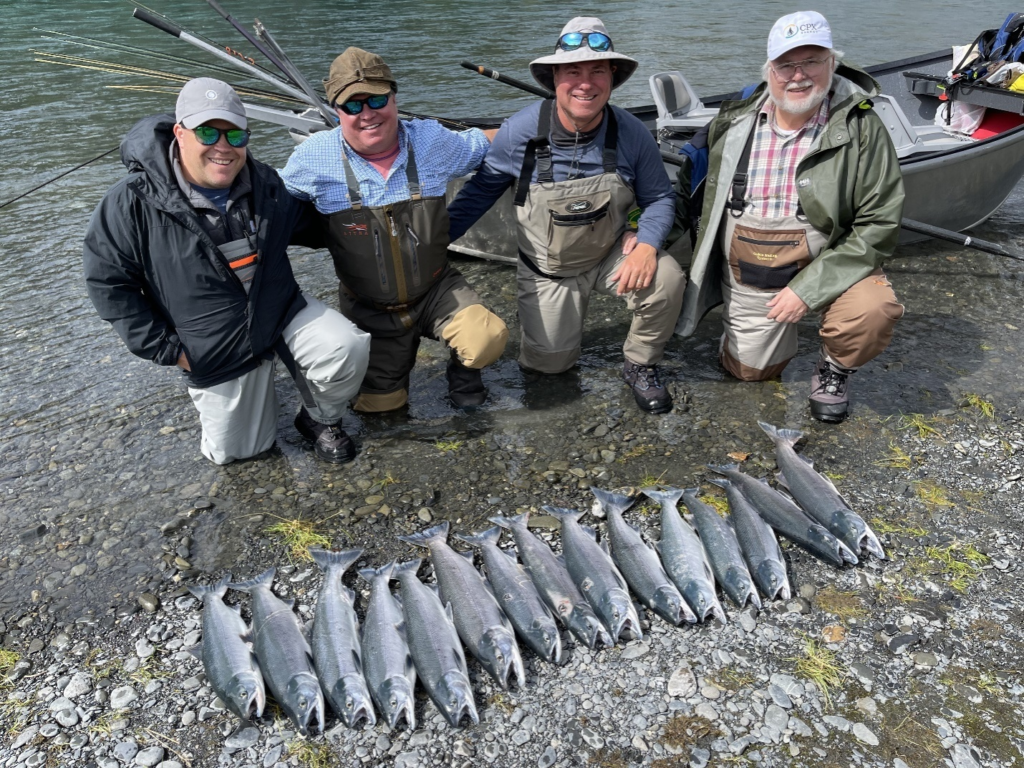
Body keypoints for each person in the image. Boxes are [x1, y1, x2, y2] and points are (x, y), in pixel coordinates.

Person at [84, 78, 370, 465]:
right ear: (180, 133)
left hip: (278, 313)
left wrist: (368, 212)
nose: (223, 146)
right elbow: (109, 284)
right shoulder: (129, 201)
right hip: (216, 346)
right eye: (208, 132)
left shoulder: (266, 183)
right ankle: (252, 392)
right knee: (242, 455)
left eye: (235, 134)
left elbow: (312, 227)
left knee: (346, 347)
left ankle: (318, 418)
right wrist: (167, 350)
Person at [674, 11, 905, 423]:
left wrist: (808, 291)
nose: (798, 76)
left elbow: (879, 227)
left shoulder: (864, 129)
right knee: (749, 374)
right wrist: (641, 236)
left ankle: (834, 367)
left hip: (829, 264)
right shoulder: (732, 122)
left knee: (873, 308)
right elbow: (685, 196)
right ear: (769, 70)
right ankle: (742, 328)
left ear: (833, 63)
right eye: (785, 65)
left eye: (812, 61)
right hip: (750, 271)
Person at [447, 17, 685, 414]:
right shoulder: (519, 132)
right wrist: (428, 249)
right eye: (573, 71)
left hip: (611, 255)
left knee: (667, 276)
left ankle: (640, 363)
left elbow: (660, 197)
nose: (585, 83)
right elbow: (477, 197)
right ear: (554, 78)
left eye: (597, 70)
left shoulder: (632, 132)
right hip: (547, 270)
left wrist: (646, 243)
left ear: (612, 77)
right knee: (550, 369)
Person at [281, 48, 509, 413]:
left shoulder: (432, 140)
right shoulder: (311, 158)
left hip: (436, 290)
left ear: (394, 97)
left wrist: (550, 123)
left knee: (487, 337)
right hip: (369, 307)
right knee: (379, 411)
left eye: (376, 99)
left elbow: (487, 141)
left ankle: (464, 374)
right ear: (337, 111)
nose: (367, 114)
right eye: (352, 106)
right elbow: (264, 205)